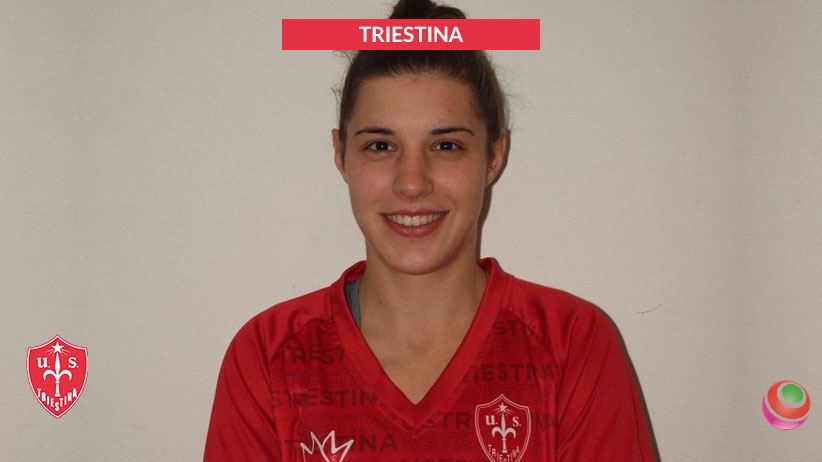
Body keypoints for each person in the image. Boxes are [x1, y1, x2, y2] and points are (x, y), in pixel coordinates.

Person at [204, 0, 656, 460]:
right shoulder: (269, 356)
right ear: (341, 155)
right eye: (381, 146)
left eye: (446, 146)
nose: (412, 183)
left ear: (494, 155)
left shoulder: (571, 345)